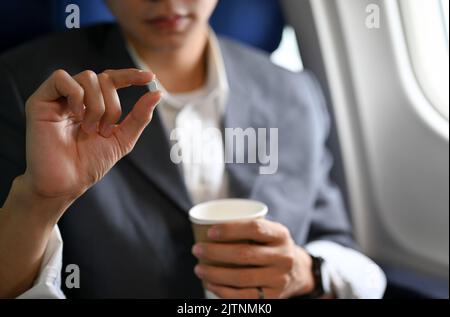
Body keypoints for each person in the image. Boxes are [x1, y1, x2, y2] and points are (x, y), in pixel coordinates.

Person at [0, 0, 386, 299]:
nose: (167, 1)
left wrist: (308, 273)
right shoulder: (34, 92)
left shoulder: (293, 92)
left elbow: (337, 243)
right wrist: (40, 200)